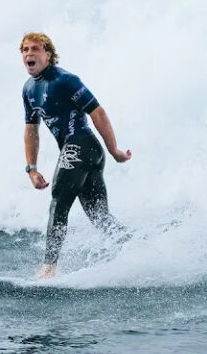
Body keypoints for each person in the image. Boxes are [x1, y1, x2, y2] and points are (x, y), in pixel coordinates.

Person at [20, 32, 132, 279]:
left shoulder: (65, 80)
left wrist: (114, 150)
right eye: (25, 50)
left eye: (35, 49)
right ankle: (139, 250)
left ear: (48, 54)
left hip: (82, 146)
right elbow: (31, 129)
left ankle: (48, 269)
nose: (29, 54)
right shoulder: (28, 89)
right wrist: (32, 167)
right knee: (99, 217)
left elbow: (98, 112)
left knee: (59, 201)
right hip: (81, 153)